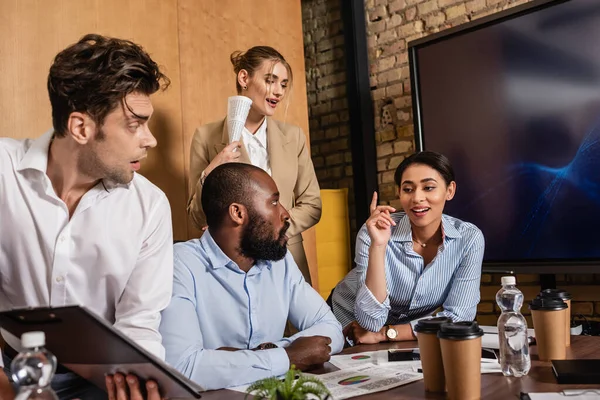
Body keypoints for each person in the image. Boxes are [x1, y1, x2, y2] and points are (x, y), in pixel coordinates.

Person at [0, 34, 172, 399]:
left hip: (102, 384)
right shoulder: (2, 175)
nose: (150, 139)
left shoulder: (151, 206)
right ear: (81, 128)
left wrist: (140, 383)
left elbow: (140, 323)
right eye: (134, 124)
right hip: (9, 372)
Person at [160, 163, 344, 390]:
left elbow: (331, 329)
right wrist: (289, 357)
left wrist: (264, 353)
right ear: (237, 213)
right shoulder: (179, 264)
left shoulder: (280, 261)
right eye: (274, 203)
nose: (286, 214)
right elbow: (183, 368)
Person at [187, 46, 321, 285]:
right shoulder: (206, 137)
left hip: (287, 257)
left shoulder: (294, 137)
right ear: (244, 78)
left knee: (300, 323)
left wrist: (270, 232)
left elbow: (312, 205)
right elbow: (197, 216)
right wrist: (211, 170)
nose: (278, 91)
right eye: (271, 80)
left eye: (283, 84)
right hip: (233, 263)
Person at [330, 151, 485, 344]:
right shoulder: (374, 231)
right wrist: (378, 246)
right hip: (348, 321)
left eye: (428, 187)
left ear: (450, 190)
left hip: (397, 334)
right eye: (408, 189)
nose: (417, 198)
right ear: (399, 193)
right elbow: (369, 322)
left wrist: (386, 334)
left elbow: (459, 317)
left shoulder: (469, 239)